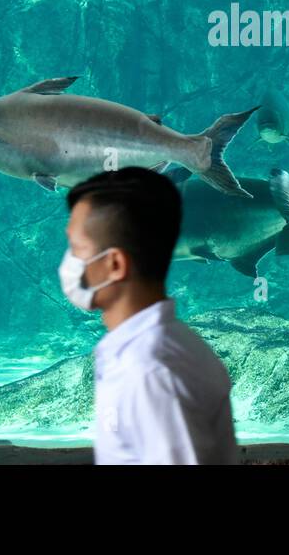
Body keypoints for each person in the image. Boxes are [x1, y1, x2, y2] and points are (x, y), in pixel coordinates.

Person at [60, 167, 238, 465]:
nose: (69, 264)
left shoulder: (153, 370)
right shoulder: (142, 351)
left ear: (115, 264)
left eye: (78, 249)